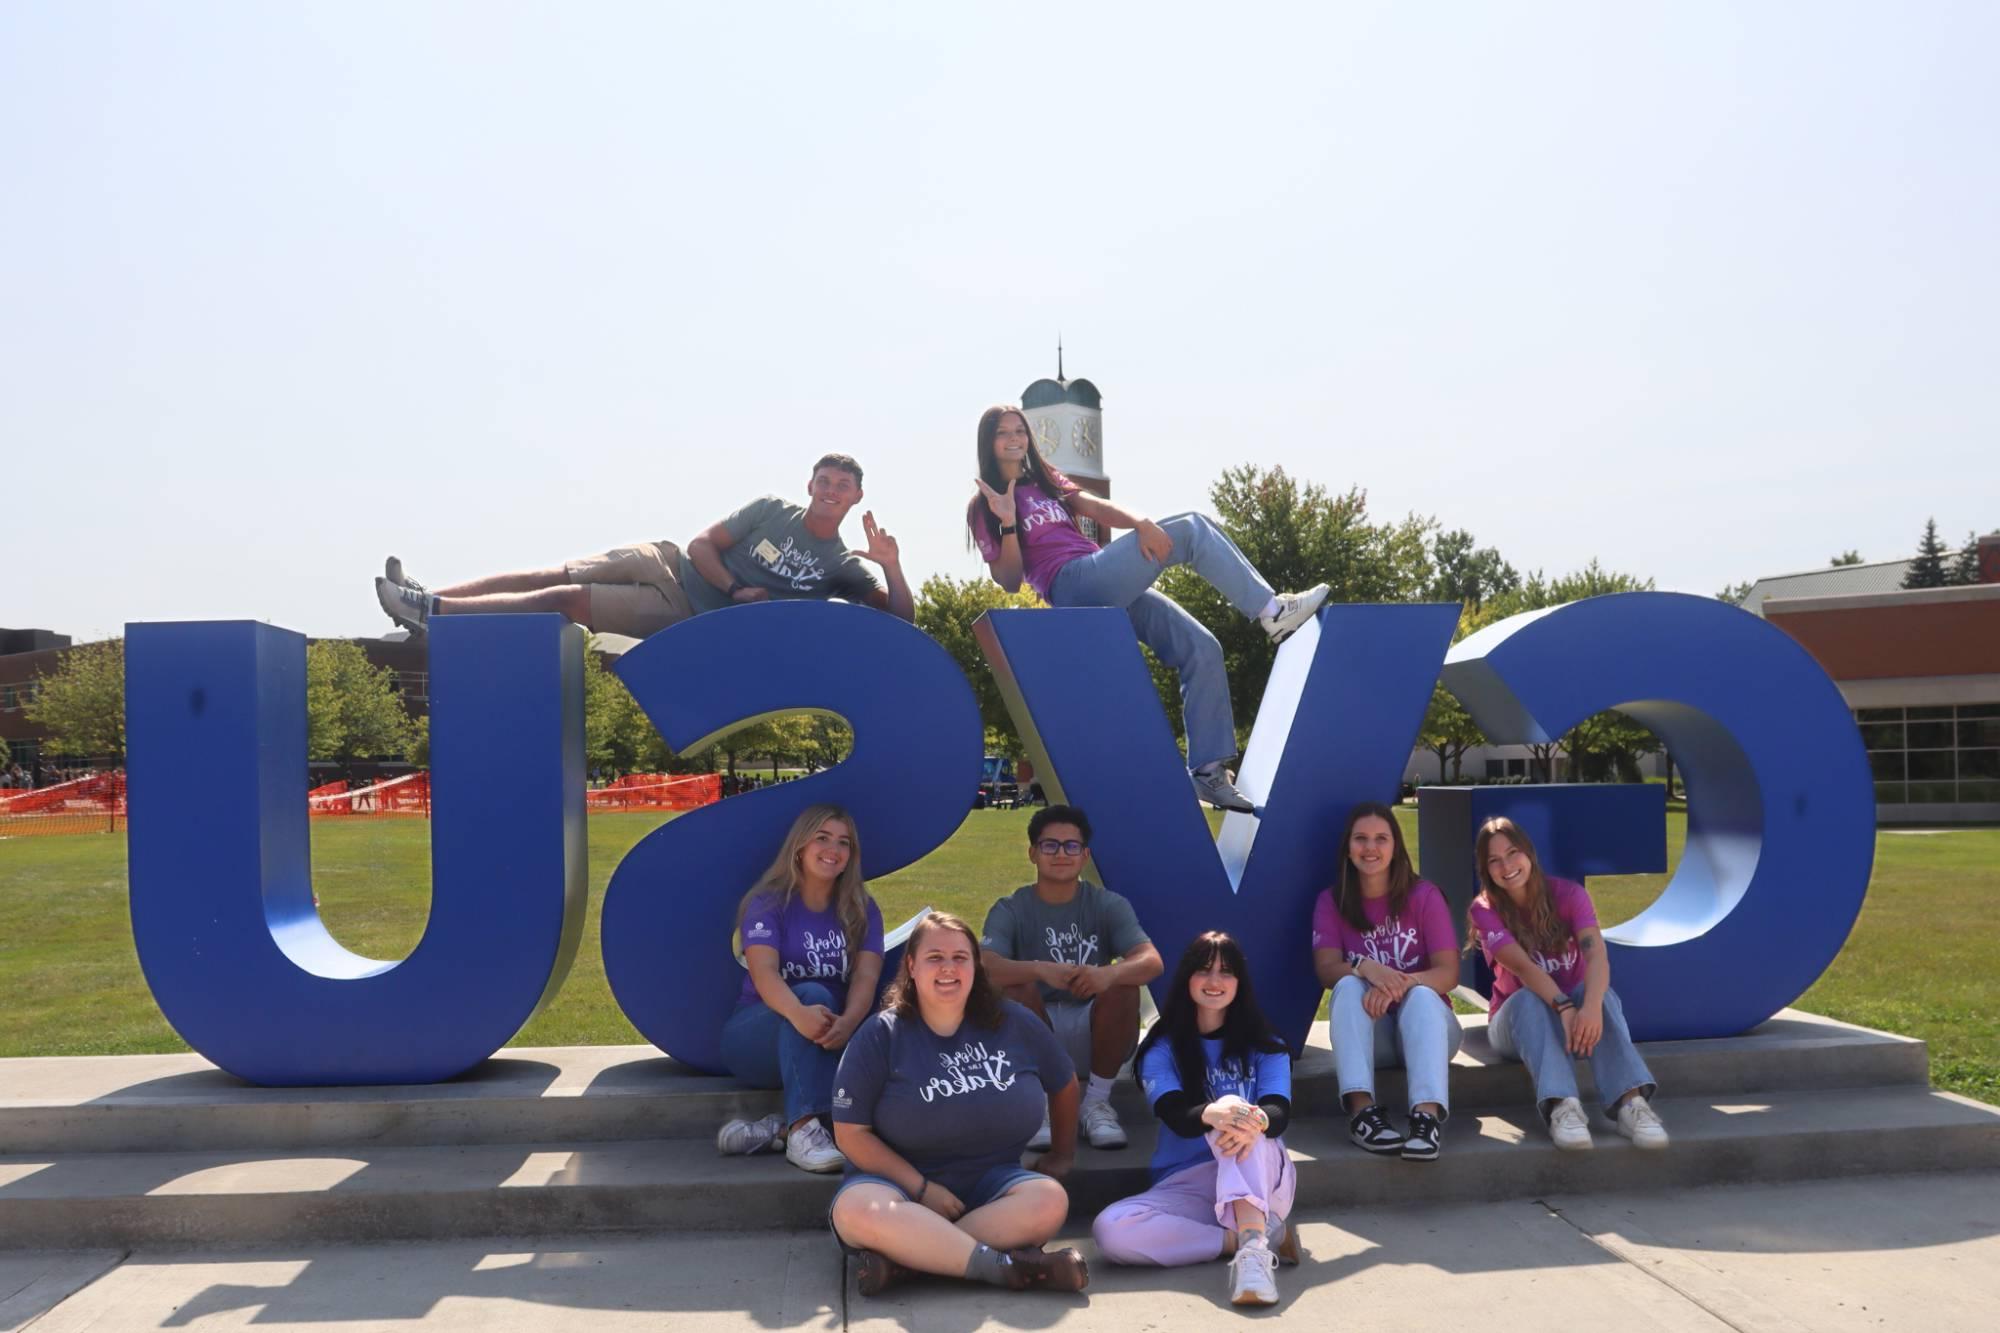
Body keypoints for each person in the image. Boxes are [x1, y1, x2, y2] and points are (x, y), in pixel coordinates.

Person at [967, 406, 1329, 813]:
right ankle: (1272, 611)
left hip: (1099, 573)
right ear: (990, 442)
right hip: (1072, 586)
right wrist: (1009, 521)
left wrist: (1141, 522)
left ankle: (1208, 773)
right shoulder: (984, 505)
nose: (1015, 438)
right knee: (1191, 529)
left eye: (1020, 430)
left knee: (1202, 648)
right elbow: (1010, 579)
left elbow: (1094, 506)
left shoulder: (1046, 482)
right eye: (1004, 433)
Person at [828, 912, 1090, 1296]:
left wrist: (1063, 1152)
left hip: (990, 1186)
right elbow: (850, 1134)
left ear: (976, 967)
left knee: (1049, 1201)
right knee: (855, 1212)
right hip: (894, 1188)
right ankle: (1001, 1268)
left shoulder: (1014, 1023)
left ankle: (907, 1261)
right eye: (935, 957)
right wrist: (920, 1190)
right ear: (912, 966)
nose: (948, 968)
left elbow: (1064, 1083)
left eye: (960, 957)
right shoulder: (880, 1035)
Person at [374, 454, 914, 638]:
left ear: (856, 497)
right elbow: (704, 544)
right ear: (810, 484)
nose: (830, 491)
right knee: (551, 572)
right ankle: (425, 594)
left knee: (566, 599)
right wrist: (736, 587)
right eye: (824, 481)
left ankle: (432, 613)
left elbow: (901, 623)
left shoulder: (841, 567)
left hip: (682, 610)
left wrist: (891, 568)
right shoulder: (773, 509)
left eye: (842, 487)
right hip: (669, 560)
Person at [1093, 932, 1299, 1308]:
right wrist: (1210, 1112)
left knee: (1240, 1113)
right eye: (1204, 971)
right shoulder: (1161, 1047)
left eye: (1227, 972)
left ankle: (1253, 1255)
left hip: (1261, 1175)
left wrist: (1241, 1115)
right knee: (1110, 1230)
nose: (1215, 982)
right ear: (1187, 977)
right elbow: (1176, 1117)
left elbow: (1278, 1115)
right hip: (1188, 1183)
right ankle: (1249, 1237)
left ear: (1241, 983)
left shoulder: (1267, 1044)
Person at [1467, 816, 1667, 1151]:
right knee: (1528, 998)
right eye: (1494, 860)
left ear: (1529, 852)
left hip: (1572, 1017)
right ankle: (1563, 1107)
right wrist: (1563, 1007)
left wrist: (1588, 1008)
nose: (1507, 865)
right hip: (1515, 1024)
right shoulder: (1484, 909)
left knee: (1602, 997)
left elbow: (1597, 957)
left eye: (1512, 852)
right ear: (1486, 870)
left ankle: (1631, 1105)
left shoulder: (1569, 894)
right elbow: (1523, 969)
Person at [979, 805, 1163, 1151]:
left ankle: (1095, 1103)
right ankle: (1043, 1104)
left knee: (1124, 985)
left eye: (1071, 846)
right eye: (1050, 845)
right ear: (1033, 853)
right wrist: (1039, 968)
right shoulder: (1012, 908)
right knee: (1014, 985)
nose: (1061, 854)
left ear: (1085, 855)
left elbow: (1152, 961)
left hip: (1095, 1032)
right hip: (1035, 1028)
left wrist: (1106, 974)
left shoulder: (1106, 904)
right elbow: (983, 965)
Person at [714, 805, 885, 1173]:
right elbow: (764, 973)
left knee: (844, 1019)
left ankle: (775, 1130)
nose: (833, 849)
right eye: (822, 838)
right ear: (800, 847)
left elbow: (866, 977)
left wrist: (851, 1021)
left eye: (844, 843)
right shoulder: (768, 903)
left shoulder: (862, 909)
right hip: (754, 1038)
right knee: (813, 995)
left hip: (826, 1036)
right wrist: (798, 1014)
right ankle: (804, 1132)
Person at [1311, 801, 1464, 1161]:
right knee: (1347, 986)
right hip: (1374, 1035)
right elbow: (1326, 968)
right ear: (1347, 849)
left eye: (1381, 838)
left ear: (1396, 846)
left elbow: (1448, 973)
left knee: (1425, 996)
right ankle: (1362, 1113)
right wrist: (1365, 967)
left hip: (1431, 1032)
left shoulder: (1424, 895)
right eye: (1361, 839)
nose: (1371, 848)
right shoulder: (1331, 902)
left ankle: (1426, 1120)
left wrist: (1400, 983)